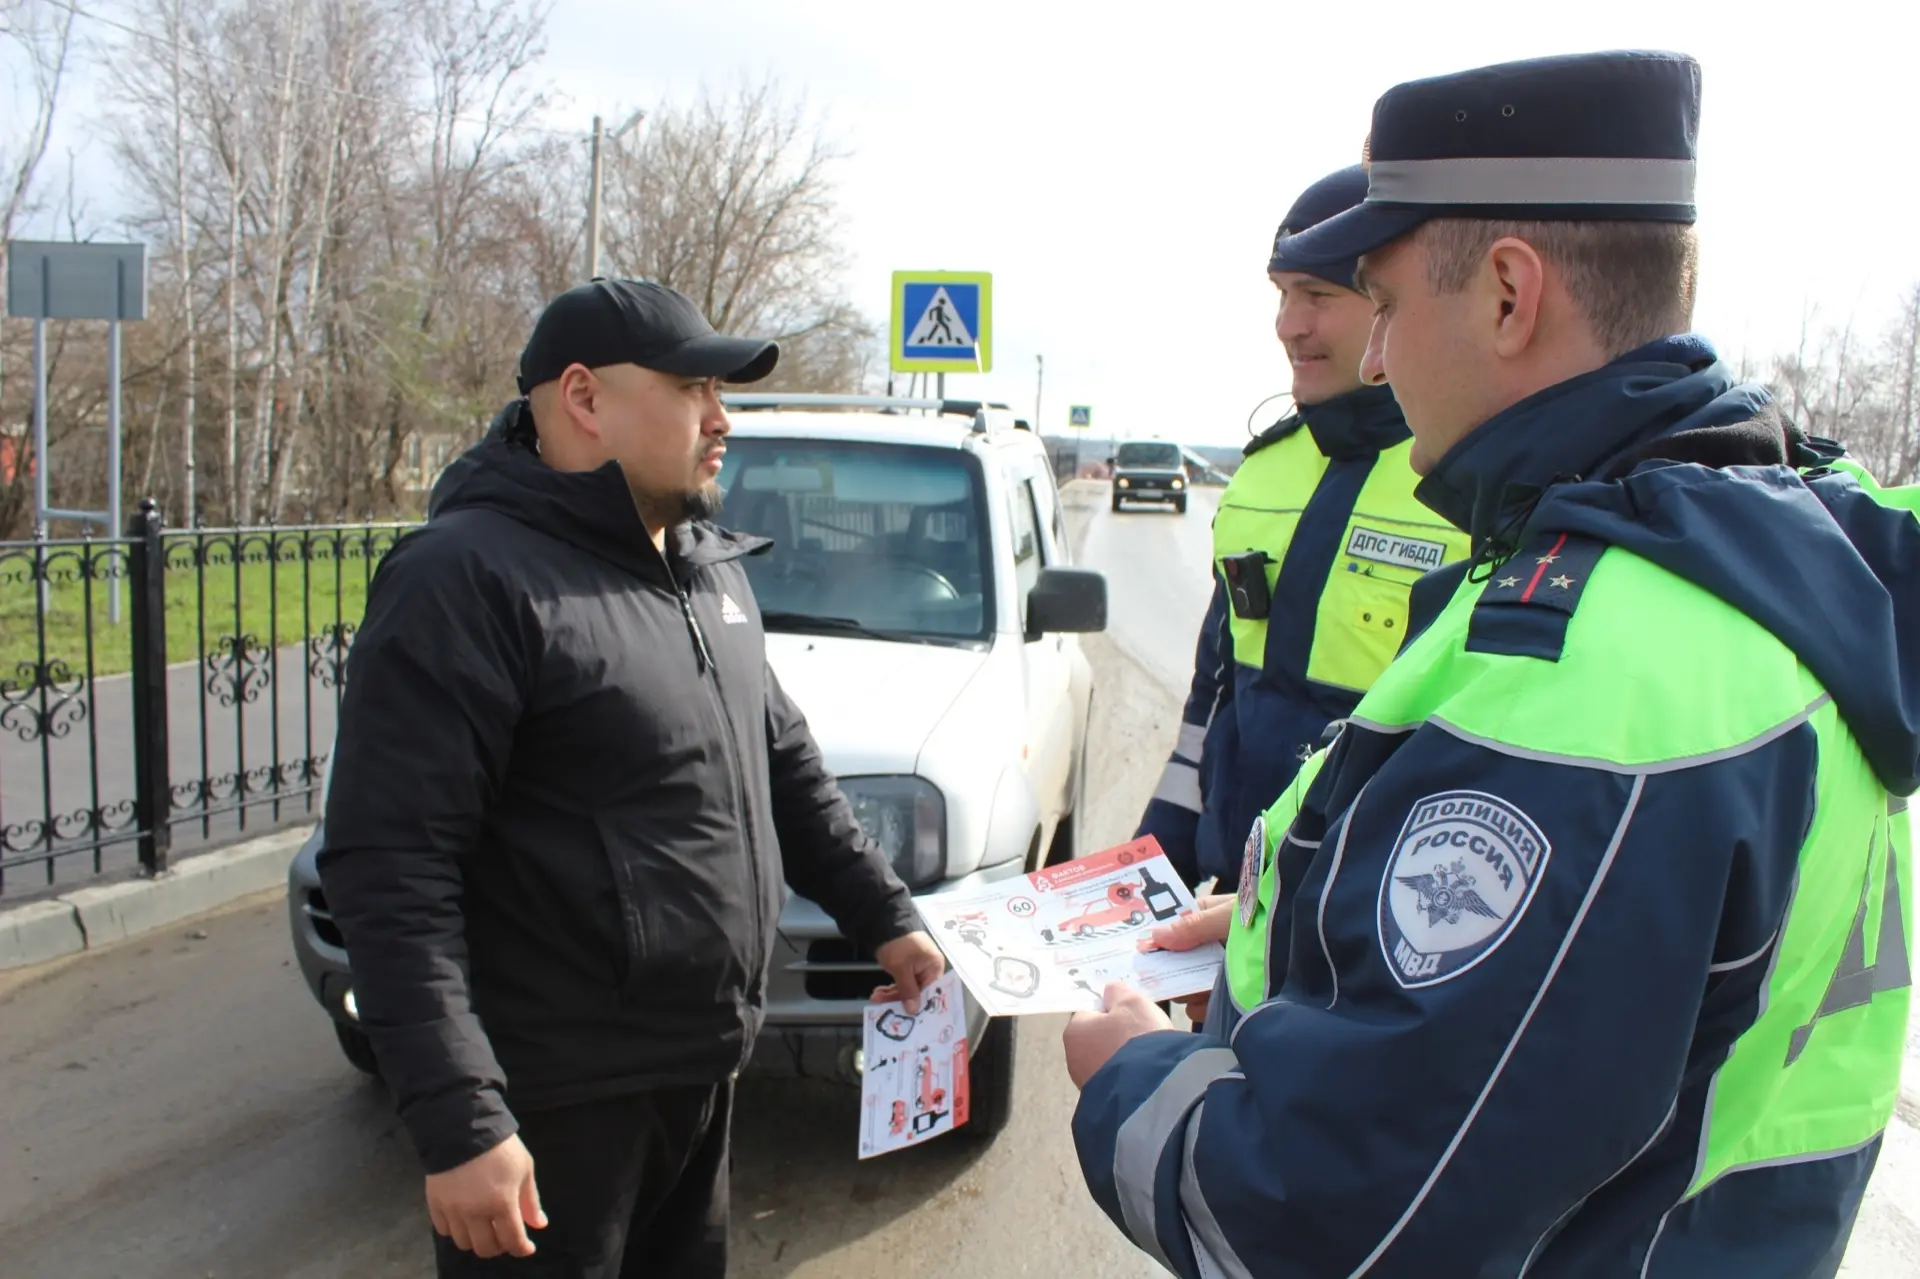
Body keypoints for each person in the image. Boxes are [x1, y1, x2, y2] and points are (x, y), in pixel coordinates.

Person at [1065, 50, 1918, 1278]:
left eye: (1388, 304)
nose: (1370, 361)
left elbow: (1334, 1222)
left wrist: (1130, 1075)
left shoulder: (1601, 671)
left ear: (1510, 296)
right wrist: (1275, 913)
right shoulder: (1753, 556)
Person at [318, 278, 947, 1279]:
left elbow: (783, 765)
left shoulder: (706, 567)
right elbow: (391, 867)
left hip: (700, 1068)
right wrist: (459, 1118)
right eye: (694, 387)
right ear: (583, 398)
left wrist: (886, 916)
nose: (721, 417)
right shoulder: (465, 578)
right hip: (551, 1105)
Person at [1134, 164, 1469, 898]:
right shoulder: (1259, 475)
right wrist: (1153, 870)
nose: (1289, 324)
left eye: (1317, 294)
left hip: (1372, 919)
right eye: (1282, 294)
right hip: (1238, 905)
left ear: (1387, 305)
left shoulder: (1467, 483)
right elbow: (1211, 706)